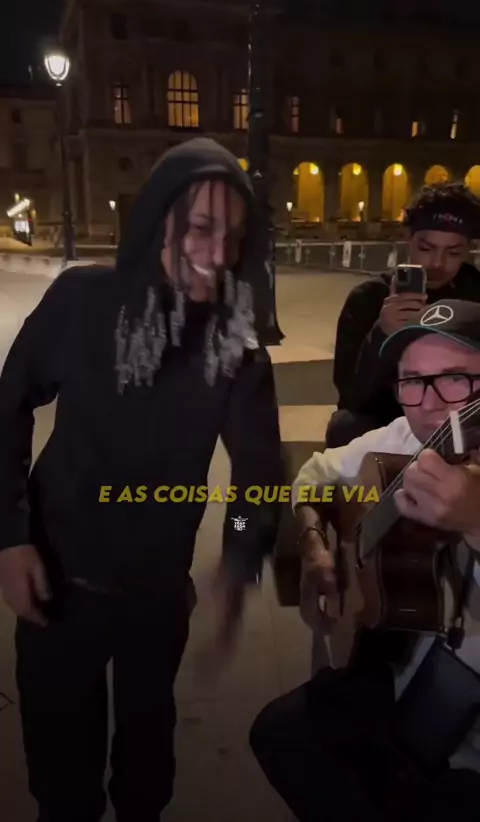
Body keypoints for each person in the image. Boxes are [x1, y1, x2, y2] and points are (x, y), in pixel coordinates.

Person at [0, 138, 283, 822]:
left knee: (146, 767)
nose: (217, 253)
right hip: (56, 583)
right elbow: (8, 409)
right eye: (200, 228)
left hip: (156, 595)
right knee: (62, 781)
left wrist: (237, 557)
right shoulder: (84, 301)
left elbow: (257, 477)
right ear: (160, 220)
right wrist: (10, 536)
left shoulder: (237, 351)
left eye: (233, 238)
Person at [251, 298, 480, 822]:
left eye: (456, 379)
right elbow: (313, 475)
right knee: (278, 734)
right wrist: (316, 548)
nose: (429, 404)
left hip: (467, 744)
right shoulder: (399, 437)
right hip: (396, 672)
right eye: (413, 381)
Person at [326, 182, 480, 448]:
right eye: (426, 248)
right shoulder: (369, 297)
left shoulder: (475, 292)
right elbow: (351, 396)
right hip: (387, 418)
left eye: (453, 252)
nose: (437, 263)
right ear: (408, 238)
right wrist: (381, 333)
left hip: (461, 416)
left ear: (468, 249)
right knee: (345, 426)